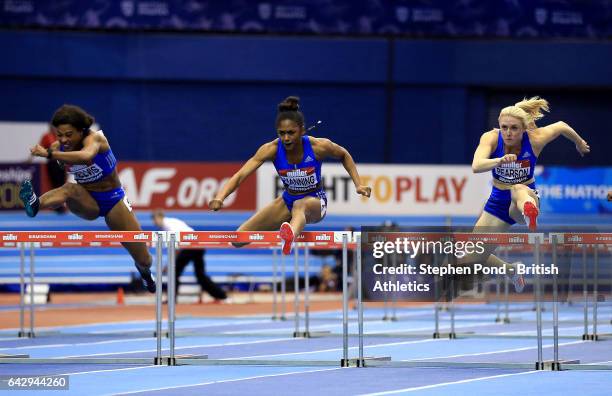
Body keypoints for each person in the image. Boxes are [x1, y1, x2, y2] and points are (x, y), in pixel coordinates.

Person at [19, 104, 156, 293]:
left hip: (113, 199)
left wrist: (51, 154)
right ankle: (35, 204)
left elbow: (86, 156)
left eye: (69, 134)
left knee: (144, 258)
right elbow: (61, 163)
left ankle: (145, 272)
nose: (63, 139)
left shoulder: (96, 139)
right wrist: (55, 154)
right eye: (59, 134)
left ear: (81, 131)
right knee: (69, 188)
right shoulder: (58, 147)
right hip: (87, 200)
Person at [208, 96, 371, 254]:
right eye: (282, 133)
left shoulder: (318, 146)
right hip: (288, 200)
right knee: (239, 239)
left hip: (315, 201)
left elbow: (343, 154)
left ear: (301, 130)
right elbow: (241, 175)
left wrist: (358, 184)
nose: (286, 138)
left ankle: (289, 236)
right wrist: (220, 197)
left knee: (300, 205)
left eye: (291, 132)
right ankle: (291, 228)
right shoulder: (270, 149)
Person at [470, 96, 590, 291]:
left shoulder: (536, 138)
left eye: (514, 128)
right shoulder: (490, 137)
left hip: (526, 195)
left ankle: (529, 211)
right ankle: (511, 270)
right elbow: (476, 166)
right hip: (498, 201)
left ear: (524, 128)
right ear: (499, 126)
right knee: (473, 255)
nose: (508, 133)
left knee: (518, 189)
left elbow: (560, 126)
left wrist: (579, 142)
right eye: (504, 127)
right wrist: (499, 161)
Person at [151, 209, 227, 302]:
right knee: (200, 274)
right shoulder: (170, 222)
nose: (154, 222)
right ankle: (221, 295)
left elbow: (176, 246)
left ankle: (171, 298)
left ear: (159, 217)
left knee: (174, 271)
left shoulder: (168, 225)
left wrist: (169, 265)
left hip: (191, 245)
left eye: (154, 219)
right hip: (198, 244)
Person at [38, 126, 67, 213]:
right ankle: (57, 205)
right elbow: (40, 148)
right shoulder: (46, 136)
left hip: (61, 162)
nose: (54, 129)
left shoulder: (61, 137)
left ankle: (61, 204)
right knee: (55, 185)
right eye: (52, 127)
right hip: (52, 164)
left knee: (62, 184)